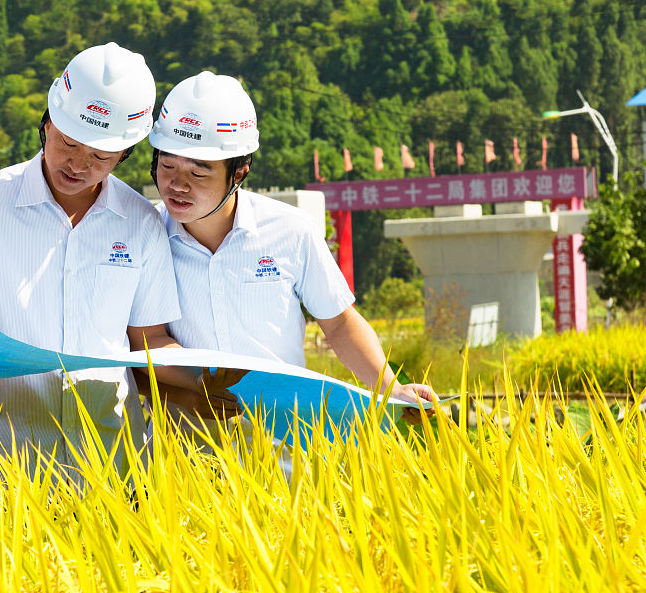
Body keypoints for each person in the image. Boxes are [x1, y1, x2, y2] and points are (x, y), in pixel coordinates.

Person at [0, 43, 236, 476]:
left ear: (126, 153)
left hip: (113, 460)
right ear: (47, 123)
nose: (77, 164)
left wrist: (209, 381)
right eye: (68, 143)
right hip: (3, 458)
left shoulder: (141, 222)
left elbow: (148, 340)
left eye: (100, 156)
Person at [146, 71, 437, 435]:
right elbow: (146, 337)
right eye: (167, 165)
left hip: (286, 443)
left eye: (199, 173)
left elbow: (340, 323)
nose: (177, 185)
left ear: (239, 172)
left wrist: (390, 389)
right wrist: (196, 385)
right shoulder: (146, 235)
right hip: (185, 445)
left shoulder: (289, 230)